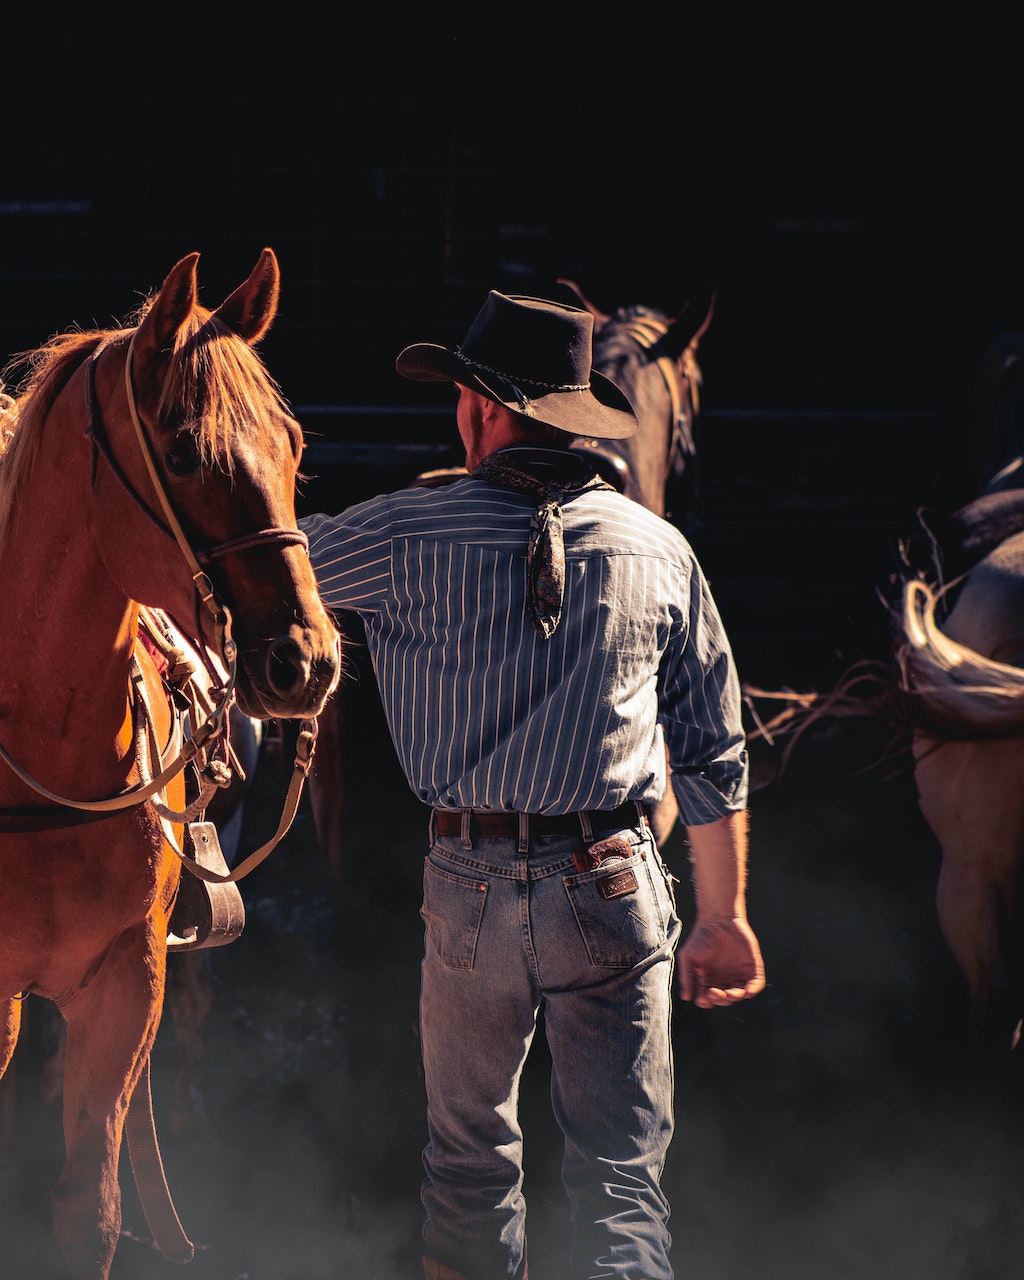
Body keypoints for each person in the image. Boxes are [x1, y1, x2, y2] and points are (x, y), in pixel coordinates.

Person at [297, 293, 765, 1280]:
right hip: (613, 877)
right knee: (621, 1178)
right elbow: (713, 753)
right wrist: (723, 916)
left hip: (465, 886)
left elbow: (255, 574)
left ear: (480, 409)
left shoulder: (396, 531)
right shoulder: (661, 549)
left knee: (467, 1171)